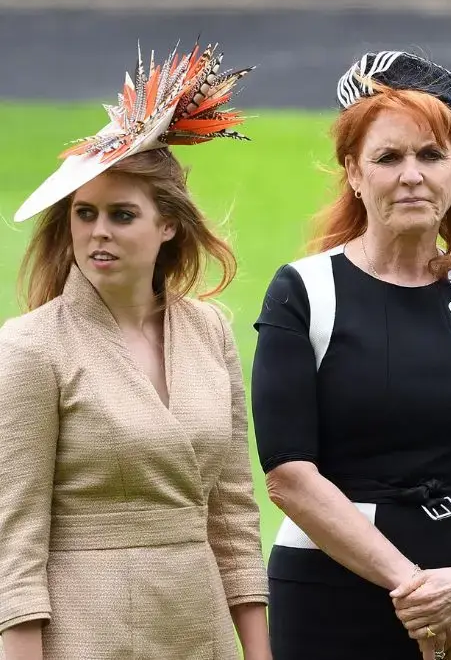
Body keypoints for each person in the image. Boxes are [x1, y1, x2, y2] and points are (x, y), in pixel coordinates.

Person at [250, 50, 451, 660]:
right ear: (354, 174)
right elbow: (287, 475)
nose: (411, 174)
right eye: (388, 157)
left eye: (431, 155)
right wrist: (417, 592)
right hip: (332, 600)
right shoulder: (304, 291)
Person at [0, 41, 270, 660]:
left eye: (122, 215)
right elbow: (13, 538)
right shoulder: (31, 346)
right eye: (84, 213)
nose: (98, 232)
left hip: (199, 629)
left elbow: (232, 513)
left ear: (167, 224)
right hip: (86, 632)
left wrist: (258, 652)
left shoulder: (210, 332)